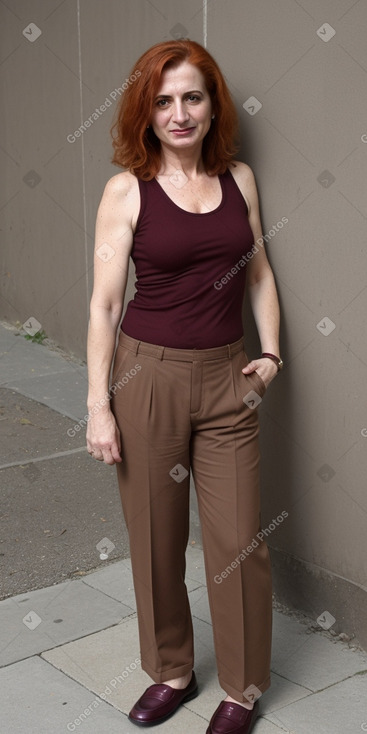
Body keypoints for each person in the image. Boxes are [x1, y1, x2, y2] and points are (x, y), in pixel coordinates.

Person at [86, 39, 282, 734]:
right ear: (146, 110)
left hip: (228, 379)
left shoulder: (239, 179)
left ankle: (242, 688)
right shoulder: (125, 190)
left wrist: (271, 352)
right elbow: (105, 304)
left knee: (238, 545)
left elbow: (256, 272)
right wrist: (98, 406)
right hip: (148, 380)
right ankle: (170, 669)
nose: (178, 113)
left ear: (211, 104)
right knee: (155, 539)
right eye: (162, 100)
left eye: (191, 97)